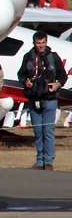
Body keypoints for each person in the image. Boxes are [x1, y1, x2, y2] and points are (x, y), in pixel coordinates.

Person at [18, 31, 68, 170]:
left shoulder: (53, 57)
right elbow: (20, 74)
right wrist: (25, 82)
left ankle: (49, 161)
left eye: (43, 43)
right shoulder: (28, 57)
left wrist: (57, 84)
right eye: (38, 43)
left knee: (48, 130)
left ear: (46, 43)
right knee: (38, 132)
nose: (41, 46)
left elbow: (63, 76)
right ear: (34, 43)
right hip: (34, 99)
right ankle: (39, 161)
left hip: (49, 98)